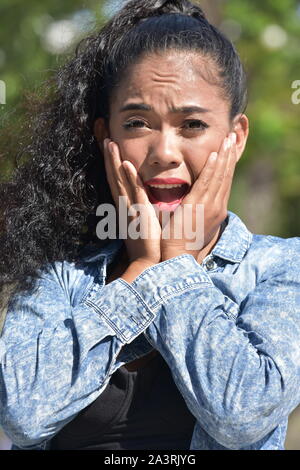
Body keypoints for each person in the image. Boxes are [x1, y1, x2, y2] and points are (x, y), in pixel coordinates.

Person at [0, 0, 300, 451]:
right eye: (138, 123)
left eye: (193, 124)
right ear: (107, 137)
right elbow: (21, 415)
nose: (164, 152)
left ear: (235, 138)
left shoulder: (281, 266)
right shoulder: (60, 272)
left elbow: (240, 415)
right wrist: (139, 273)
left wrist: (176, 262)